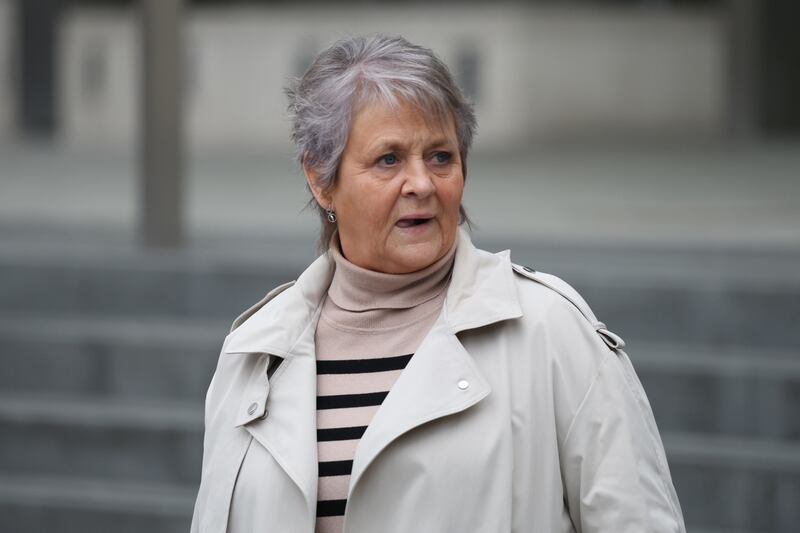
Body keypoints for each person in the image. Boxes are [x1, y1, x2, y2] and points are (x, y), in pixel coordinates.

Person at [190, 34, 685, 533]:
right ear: (321, 179)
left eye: (440, 157)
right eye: (389, 159)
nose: (422, 184)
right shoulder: (254, 355)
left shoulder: (552, 332)